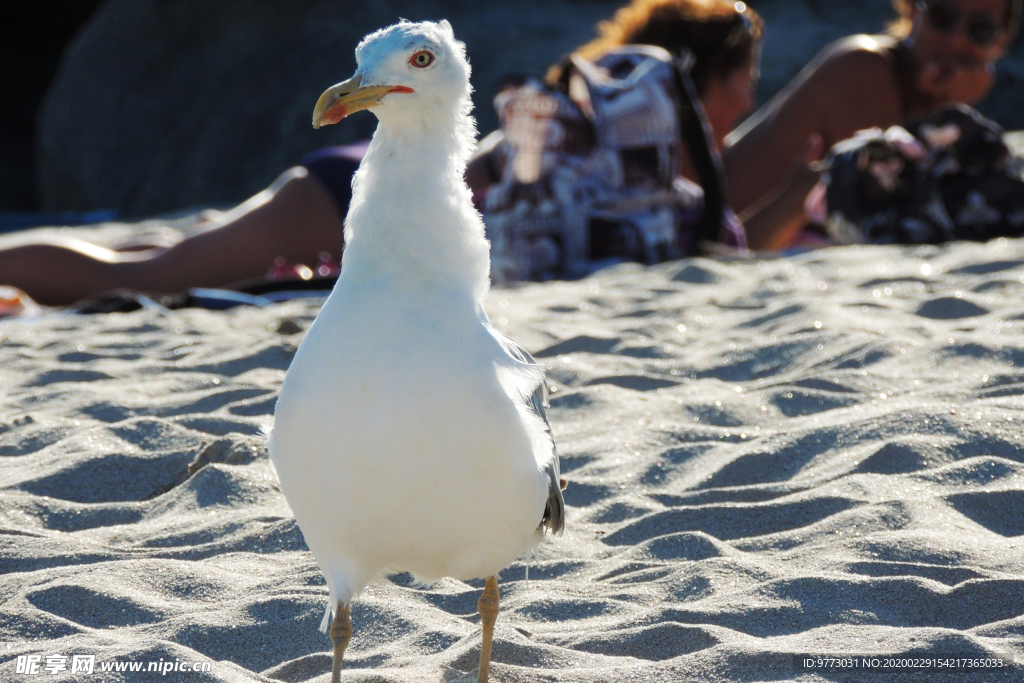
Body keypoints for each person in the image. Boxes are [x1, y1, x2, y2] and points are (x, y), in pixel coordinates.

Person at [0, 0, 762, 307]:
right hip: (355, 199)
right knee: (149, 276)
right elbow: (728, 237)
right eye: (746, 81)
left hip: (353, 187)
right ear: (704, 81)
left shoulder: (599, 108)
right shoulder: (650, 142)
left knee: (169, 251)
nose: (751, 100)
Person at [726, 0, 1022, 250]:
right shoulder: (865, 68)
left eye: (980, 30)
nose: (957, 38)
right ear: (913, 12)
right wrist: (952, 109)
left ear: (1001, 42)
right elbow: (884, 211)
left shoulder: (919, 88)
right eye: (942, 16)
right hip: (704, 231)